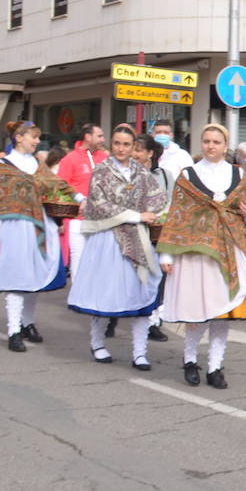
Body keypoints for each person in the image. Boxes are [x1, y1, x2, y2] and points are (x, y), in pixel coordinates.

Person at [157, 124, 246, 389]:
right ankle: (189, 360)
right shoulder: (188, 175)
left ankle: (216, 366)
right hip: (196, 252)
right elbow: (177, 214)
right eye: (206, 141)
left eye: (216, 141)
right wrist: (167, 253)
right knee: (197, 313)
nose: (211, 146)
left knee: (223, 313)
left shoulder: (239, 175)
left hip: (230, 248)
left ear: (225, 145)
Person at [66, 125, 166, 368]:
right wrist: (136, 215)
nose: (121, 148)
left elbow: (159, 198)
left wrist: (160, 213)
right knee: (106, 293)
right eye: (117, 143)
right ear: (112, 145)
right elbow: (100, 205)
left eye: (126, 144)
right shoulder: (101, 171)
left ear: (133, 148)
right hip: (108, 239)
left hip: (138, 239)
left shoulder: (141, 173)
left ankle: (139, 352)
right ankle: (98, 342)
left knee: (141, 294)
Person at [0, 121, 74, 352]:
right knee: (16, 278)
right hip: (13, 227)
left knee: (33, 277)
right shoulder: (3, 165)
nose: (37, 141)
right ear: (19, 137)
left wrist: (78, 199)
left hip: (38, 224)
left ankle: (27, 323)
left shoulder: (36, 163)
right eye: (33, 136)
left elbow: (55, 186)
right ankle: (13, 330)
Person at [55, 123, 109, 280]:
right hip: (77, 218)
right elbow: (60, 186)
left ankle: (92, 296)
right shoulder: (70, 159)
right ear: (87, 137)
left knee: (97, 258)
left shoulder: (105, 158)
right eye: (99, 136)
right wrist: (77, 202)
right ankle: (77, 295)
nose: (102, 139)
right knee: (78, 256)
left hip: (101, 218)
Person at [134, 133, 171, 344]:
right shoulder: (126, 174)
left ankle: (153, 322)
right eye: (134, 149)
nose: (134, 154)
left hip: (158, 232)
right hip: (132, 231)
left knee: (158, 279)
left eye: (139, 150)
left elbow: (173, 203)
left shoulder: (164, 176)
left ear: (150, 153)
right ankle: (113, 315)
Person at [152, 119, 195, 185]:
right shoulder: (146, 153)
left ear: (171, 135)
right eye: (158, 132)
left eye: (166, 133)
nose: (162, 135)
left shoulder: (182, 156)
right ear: (152, 135)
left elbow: (189, 179)